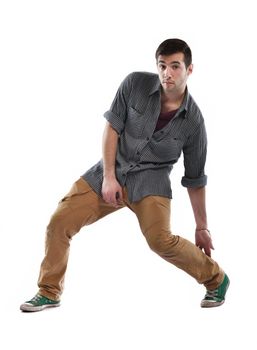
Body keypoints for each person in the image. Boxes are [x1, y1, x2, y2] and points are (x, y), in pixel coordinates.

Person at [20, 38, 229, 312]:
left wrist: (202, 227)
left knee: (160, 240)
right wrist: (109, 176)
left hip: (151, 184)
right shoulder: (134, 84)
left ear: (189, 70)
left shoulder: (194, 122)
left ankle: (216, 279)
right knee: (59, 222)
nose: (168, 73)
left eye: (175, 66)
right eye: (162, 65)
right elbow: (112, 128)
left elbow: (195, 179)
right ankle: (48, 292)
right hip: (110, 172)